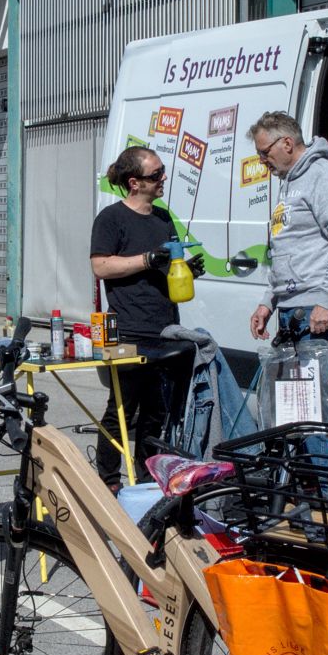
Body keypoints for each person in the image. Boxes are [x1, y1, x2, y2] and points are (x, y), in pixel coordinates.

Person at [88, 145, 198, 488]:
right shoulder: (112, 218)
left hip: (164, 327)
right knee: (121, 409)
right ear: (134, 183)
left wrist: (189, 270)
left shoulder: (163, 219)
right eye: (156, 174)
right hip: (128, 330)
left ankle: (147, 478)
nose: (163, 178)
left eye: (162, 171)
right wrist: (147, 259)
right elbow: (100, 265)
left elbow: (169, 266)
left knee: (156, 412)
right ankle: (108, 480)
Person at [247, 111, 328, 422]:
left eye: (264, 153)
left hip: (316, 311)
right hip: (292, 310)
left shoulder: (324, 176)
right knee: (294, 412)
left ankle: (322, 473)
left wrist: (327, 300)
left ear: (286, 143)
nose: (262, 161)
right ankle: (302, 471)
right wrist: (267, 303)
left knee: (313, 414)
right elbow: (285, 250)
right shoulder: (289, 183)